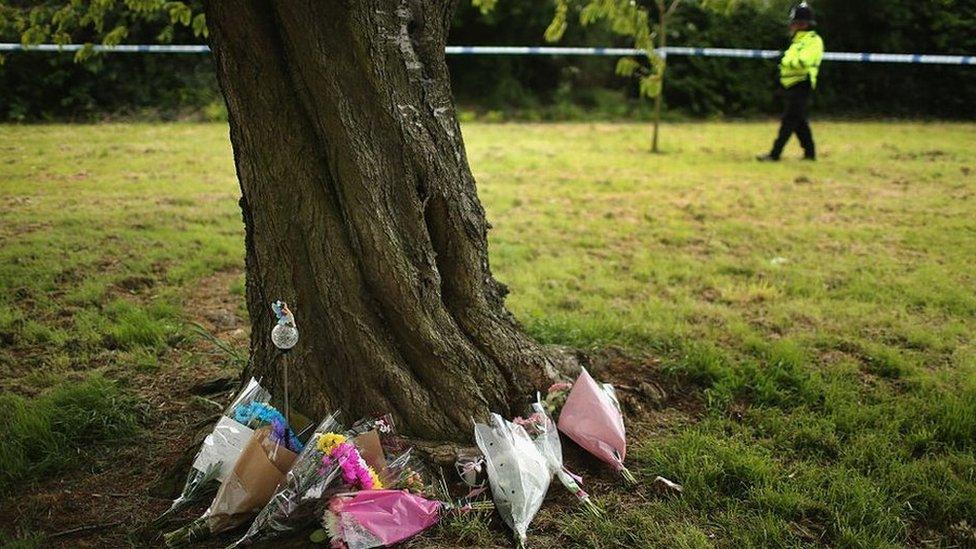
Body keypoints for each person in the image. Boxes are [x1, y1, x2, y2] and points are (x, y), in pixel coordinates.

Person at [758, 2, 824, 162]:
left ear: (802, 24)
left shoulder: (813, 41)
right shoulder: (798, 41)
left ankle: (775, 153)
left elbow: (803, 61)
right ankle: (810, 153)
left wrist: (785, 60)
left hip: (802, 83)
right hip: (791, 85)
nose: (791, 26)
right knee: (799, 120)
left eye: (793, 23)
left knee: (789, 120)